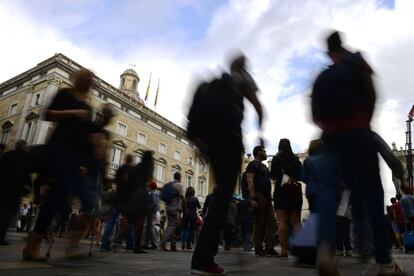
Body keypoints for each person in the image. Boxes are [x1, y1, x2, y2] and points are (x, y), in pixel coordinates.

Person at [311, 30, 405, 275]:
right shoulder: (357, 61)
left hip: (331, 139)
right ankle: (384, 262)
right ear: (342, 46)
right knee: (374, 196)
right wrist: (364, 120)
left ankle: (325, 250)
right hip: (360, 133)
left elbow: (313, 113)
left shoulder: (323, 76)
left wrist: (329, 129)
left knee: (329, 193)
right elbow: (373, 92)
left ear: (328, 52)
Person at [22, 69, 111, 261]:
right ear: (78, 78)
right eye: (87, 77)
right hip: (58, 149)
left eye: (92, 79)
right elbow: (47, 114)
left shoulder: (87, 108)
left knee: (60, 196)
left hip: (73, 157)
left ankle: (35, 240)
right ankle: (35, 241)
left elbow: (89, 132)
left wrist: (104, 119)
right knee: (61, 190)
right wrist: (72, 113)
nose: (90, 81)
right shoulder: (65, 94)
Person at [190, 53, 263, 275]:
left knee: (221, 196)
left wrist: (201, 144)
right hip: (230, 141)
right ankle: (203, 259)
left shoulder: (216, 83)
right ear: (242, 64)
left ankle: (202, 257)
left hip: (212, 142)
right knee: (223, 199)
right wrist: (261, 130)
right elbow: (258, 106)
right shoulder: (243, 77)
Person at [270, 139, 303, 258]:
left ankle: (283, 251)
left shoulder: (276, 158)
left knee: (282, 221)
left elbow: (272, 175)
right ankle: (301, 250)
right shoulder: (295, 158)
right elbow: (301, 174)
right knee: (296, 221)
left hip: (281, 190)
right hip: (295, 190)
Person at [117, 151, 154, 254]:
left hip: (133, 194)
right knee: (140, 221)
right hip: (142, 194)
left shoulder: (137, 166)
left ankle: (118, 238)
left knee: (130, 220)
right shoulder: (148, 167)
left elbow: (129, 180)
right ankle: (137, 246)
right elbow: (149, 180)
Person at [247, 145, 277, 256]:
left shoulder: (264, 166)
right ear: (258, 152)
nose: (265, 152)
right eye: (264, 151)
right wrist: (253, 198)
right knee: (259, 222)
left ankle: (269, 247)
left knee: (272, 222)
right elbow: (250, 181)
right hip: (259, 195)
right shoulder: (252, 164)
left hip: (267, 197)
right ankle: (258, 248)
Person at [0, 140, 32, 246]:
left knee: (4, 212)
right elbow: (27, 175)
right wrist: (28, 188)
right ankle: (1, 236)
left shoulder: (7, 155)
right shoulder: (25, 158)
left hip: (3, 188)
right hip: (14, 190)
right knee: (7, 214)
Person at [160, 172, 185, 252]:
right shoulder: (178, 185)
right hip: (174, 208)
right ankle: (163, 242)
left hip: (168, 206)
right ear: (179, 177)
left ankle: (173, 245)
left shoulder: (170, 184)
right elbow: (182, 197)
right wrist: (185, 208)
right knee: (172, 226)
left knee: (172, 225)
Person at [143, 181, 159, 250]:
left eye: (149, 186)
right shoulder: (155, 193)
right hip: (152, 212)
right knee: (149, 228)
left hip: (151, 212)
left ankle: (153, 243)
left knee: (150, 227)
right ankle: (150, 243)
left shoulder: (153, 193)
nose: (148, 187)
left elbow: (154, 204)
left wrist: (147, 208)